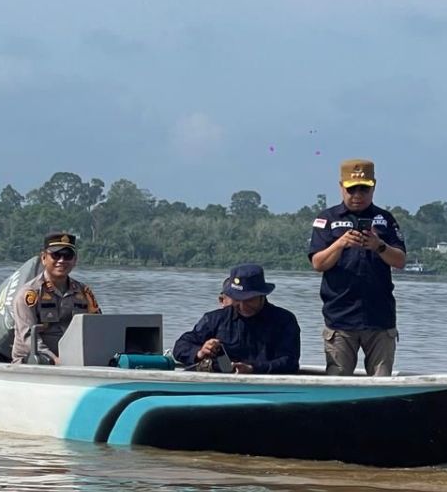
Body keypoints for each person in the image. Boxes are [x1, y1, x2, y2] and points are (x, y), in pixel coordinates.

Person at [308, 158, 406, 376]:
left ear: (374, 186)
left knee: (381, 382)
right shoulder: (327, 219)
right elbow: (318, 263)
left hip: (380, 318)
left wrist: (379, 245)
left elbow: (400, 261)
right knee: (337, 381)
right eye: (352, 189)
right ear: (341, 187)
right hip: (340, 318)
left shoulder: (385, 219)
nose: (358, 195)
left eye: (364, 189)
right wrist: (341, 243)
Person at [172, 264, 300, 374]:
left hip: (266, 386)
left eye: (249, 300)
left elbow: (290, 362)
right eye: (237, 300)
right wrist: (199, 352)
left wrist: (252, 369)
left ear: (262, 295)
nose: (243, 306)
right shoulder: (215, 319)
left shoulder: (284, 321)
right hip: (218, 385)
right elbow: (180, 347)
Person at [11, 232, 101, 364]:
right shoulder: (29, 294)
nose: (61, 261)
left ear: (75, 260)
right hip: (32, 363)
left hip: (74, 362)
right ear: (43, 258)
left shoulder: (84, 292)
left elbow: (98, 326)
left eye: (67, 256)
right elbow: (28, 337)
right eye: (56, 255)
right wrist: (55, 360)